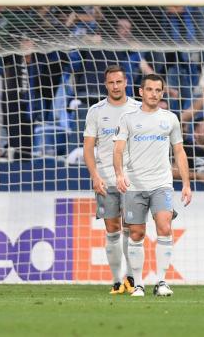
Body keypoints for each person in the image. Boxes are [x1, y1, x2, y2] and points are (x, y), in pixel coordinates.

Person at [113, 74, 192, 298]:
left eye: (158, 90)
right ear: (141, 92)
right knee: (136, 233)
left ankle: (162, 281)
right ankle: (138, 284)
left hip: (162, 184)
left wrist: (186, 183)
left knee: (165, 227)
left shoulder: (170, 119)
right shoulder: (128, 119)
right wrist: (119, 174)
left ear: (162, 93)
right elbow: (118, 150)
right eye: (150, 90)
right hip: (135, 185)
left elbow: (179, 151)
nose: (154, 94)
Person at [82, 65, 142, 294]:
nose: (115, 86)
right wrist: (94, 176)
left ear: (126, 82)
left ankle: (130, 278)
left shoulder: (138, 108)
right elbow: (88, 148)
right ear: (105, 85)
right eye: (111, 83)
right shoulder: (96, 111)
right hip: (105, 179)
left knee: (132, 229)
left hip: (133, 180)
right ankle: (117, 280)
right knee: (112, 228)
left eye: (119, 82)